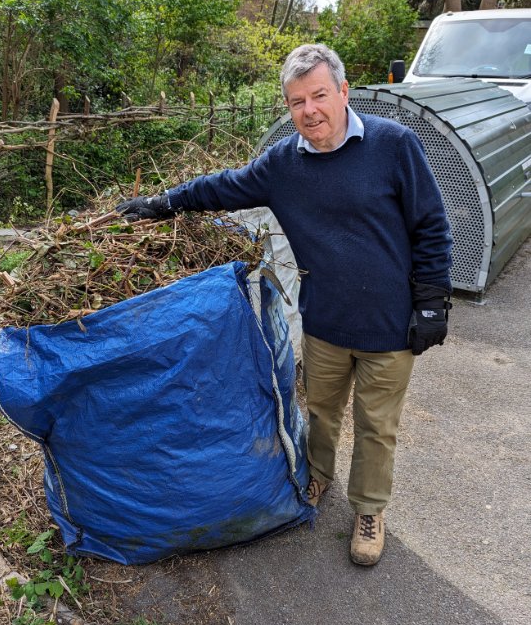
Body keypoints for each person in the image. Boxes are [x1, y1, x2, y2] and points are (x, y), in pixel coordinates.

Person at [117, 43, 453, 567]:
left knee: (376, 424)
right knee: (319, 410)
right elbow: (223, 187)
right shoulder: (283, 165)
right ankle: (317, 477)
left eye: (319, 95)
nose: (309, 110)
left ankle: (368, 509)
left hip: (390, 324)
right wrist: (163, 203)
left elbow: (432, 226)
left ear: (343, 92)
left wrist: (433, 302)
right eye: (297, 102)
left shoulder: (394, 146)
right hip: (324, 321)